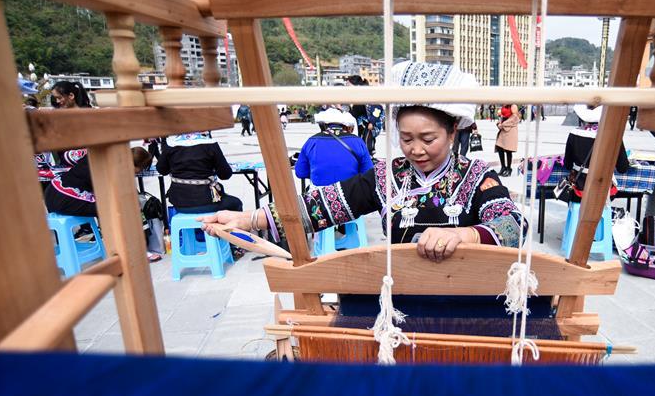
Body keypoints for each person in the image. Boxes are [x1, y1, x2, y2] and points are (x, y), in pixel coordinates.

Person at [200, 61, 527, 262]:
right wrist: (248, 219)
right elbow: (320, 206)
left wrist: (465, 236)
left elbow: (513, 225)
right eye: (406, 138)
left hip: (469, 303)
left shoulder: (478, 176)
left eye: (428, 139)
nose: (416, 150)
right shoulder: (387, 177)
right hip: (403, 298)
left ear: (454, 129)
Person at [44, 147, 152, 217]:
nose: (137, 173)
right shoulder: (114, 170)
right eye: (139, 170)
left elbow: (67, 157)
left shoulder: (101, 153)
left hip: (53, 189)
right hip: (65, 198)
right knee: (116, 208)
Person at [152, 132, 243, 213]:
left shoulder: (171, 145)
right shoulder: (210, 144)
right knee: (236, 203)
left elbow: (161, 170)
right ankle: (225, 231)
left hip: (180, 203)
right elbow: (225, 174)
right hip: (207, 201)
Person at [563, 105, 630, 202]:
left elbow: (567, 165)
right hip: (603, 190)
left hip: (579, 189)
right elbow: (622, 168)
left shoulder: (573, 134)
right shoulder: (613, 135)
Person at [295, 108, 372, 187]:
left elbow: (300, 172)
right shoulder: (358, 142)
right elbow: (368, 172)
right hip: (351, 194)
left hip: (319, 196)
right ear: (346, 126)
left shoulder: (311, 141)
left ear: (323, 125)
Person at [495, 104, 519, 176]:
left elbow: (515, 118)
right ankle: (503, 167)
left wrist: (503, 124)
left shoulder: (513, 106)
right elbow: (502, 116)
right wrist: (499, 122)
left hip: (510, 129)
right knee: (499, 147)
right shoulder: (503, 105)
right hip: (503, 129)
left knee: (508, 150)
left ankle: (509, 168)